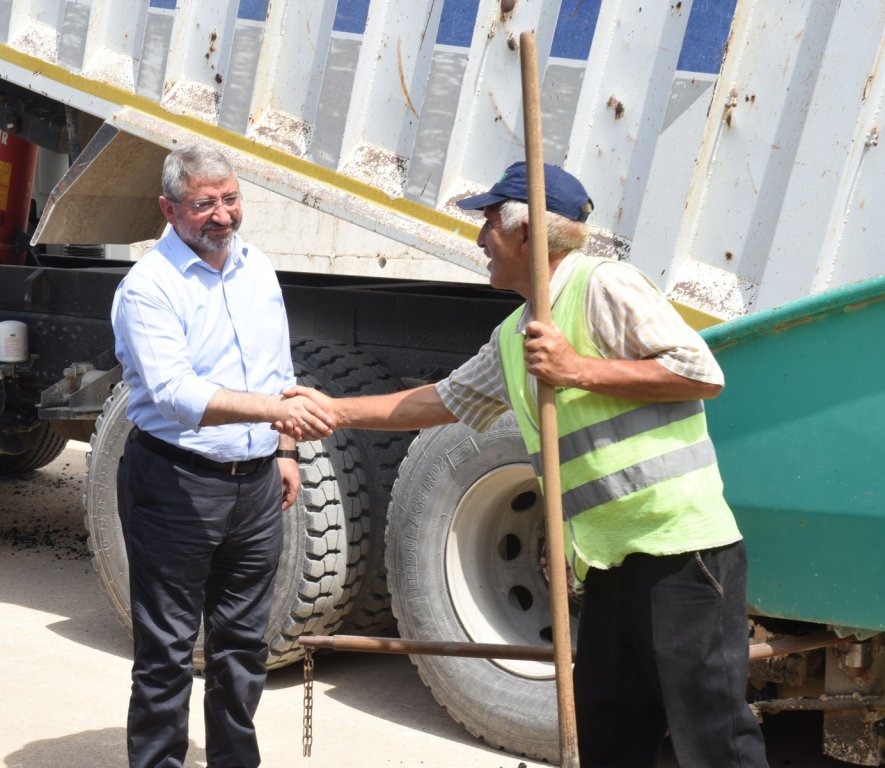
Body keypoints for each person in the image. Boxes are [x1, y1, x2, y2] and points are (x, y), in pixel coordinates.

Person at [280, 162, 769, 767]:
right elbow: (438, 401)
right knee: (610, 738)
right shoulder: (515, 334)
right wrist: (335, 410)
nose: (478, 238)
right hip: (605, 562)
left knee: (714, 738)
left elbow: (701, 372)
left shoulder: (604, 285)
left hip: (679, 553)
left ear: (527, 234)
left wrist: (579, 370)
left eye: (488, 222)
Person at [111, 142, 331, 768]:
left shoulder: (256, 268)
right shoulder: (148, 288)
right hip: (176, 484)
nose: (222, 215)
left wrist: (284, 449)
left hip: (258, 484)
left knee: (242, 647)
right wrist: (274, 413)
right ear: (169, 208)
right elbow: (176, 394)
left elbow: (276, 369)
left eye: (231, 199)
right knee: (167, 650)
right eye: (203, 204)